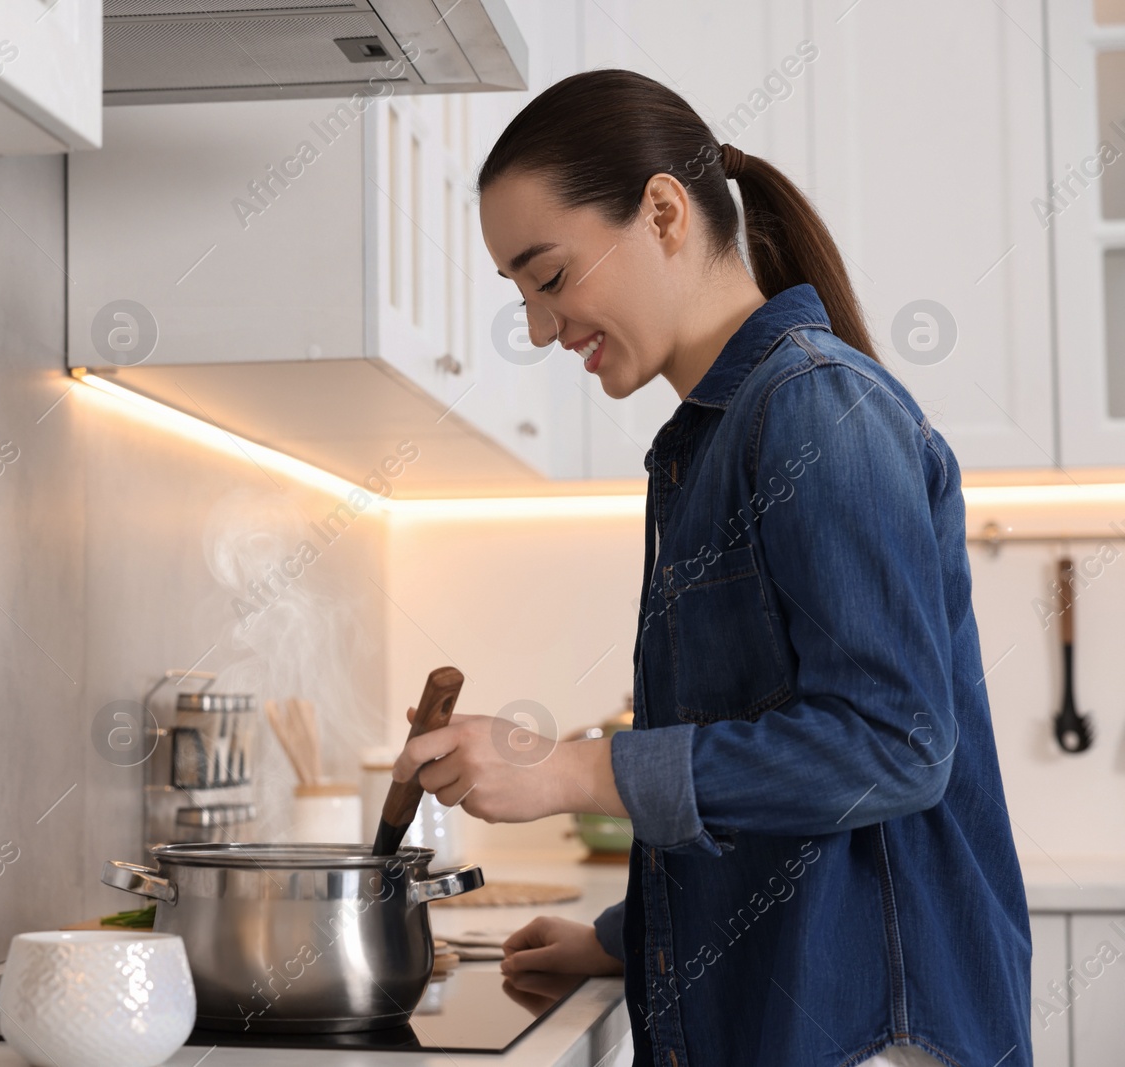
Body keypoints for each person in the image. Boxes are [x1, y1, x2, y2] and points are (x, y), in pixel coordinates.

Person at [390, 69, 1031, 1067]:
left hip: (865, 1028)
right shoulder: (712, 441)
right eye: (519, 293)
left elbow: (891, 744)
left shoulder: (818, 408)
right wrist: (624, 942)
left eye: (549, 276)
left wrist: (570, 768)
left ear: (661, 211)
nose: (538, 327)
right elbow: (754, 760)